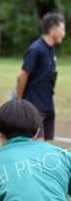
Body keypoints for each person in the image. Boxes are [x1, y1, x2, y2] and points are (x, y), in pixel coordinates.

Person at [15, 13, 66, 141]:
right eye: (62, 30)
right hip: (34, 106)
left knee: (46, 149)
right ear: (52, 31)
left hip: (48, 105)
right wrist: (19, 101)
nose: (64, 34)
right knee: (37, 146)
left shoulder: (50, 49)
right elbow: (22, 76)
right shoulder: (36, 49)